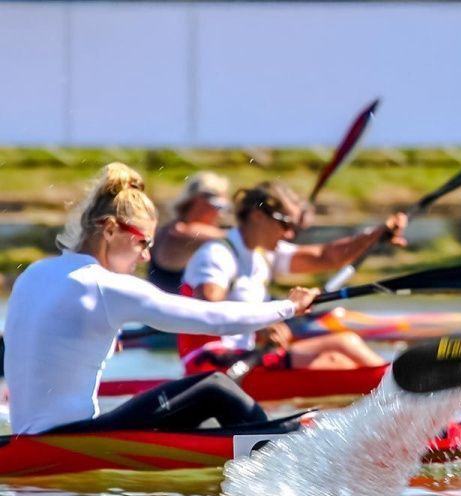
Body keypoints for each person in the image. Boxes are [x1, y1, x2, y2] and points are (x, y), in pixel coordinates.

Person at [2, 163, 321, 435]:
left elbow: (43, 339)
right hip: (73, 440)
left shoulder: (35, 272)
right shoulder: (108, 286)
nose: (146, 256)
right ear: (111, 230)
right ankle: (273, 453)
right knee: (215, 388)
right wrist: (288, 307)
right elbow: (215, 320)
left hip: (27, 437)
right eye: (143, 243)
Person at [177, 181, 407, 373]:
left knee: (340, 360)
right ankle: (402, 387)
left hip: (247, 359)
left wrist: (376, 235)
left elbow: (324, 257)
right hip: (212, 362)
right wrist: (260, 325)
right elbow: (209, 308)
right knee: (343, 345)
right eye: (285, 223)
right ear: (258, 216)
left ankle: (392, 386)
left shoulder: (263, 253)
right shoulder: (218, 254)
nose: (289, 234)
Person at [146, 171, 231, 293]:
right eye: (219, 206)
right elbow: (236, 238)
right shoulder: (178, 232)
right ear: (197, 202)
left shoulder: (167, 228)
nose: (221, 214)